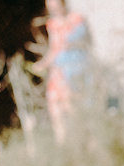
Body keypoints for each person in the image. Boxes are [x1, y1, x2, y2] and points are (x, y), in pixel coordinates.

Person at [39, 0, 92, 142]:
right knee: (55, 108)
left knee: (73, 109)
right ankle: (61, 145)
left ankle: (78, 144)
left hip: (74, 70)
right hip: (58, 71)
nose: (53, 9)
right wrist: (42, 64)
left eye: (55, 5)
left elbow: (84, 44)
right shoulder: (52, 24)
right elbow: (53, 49)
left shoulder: (77, 20)